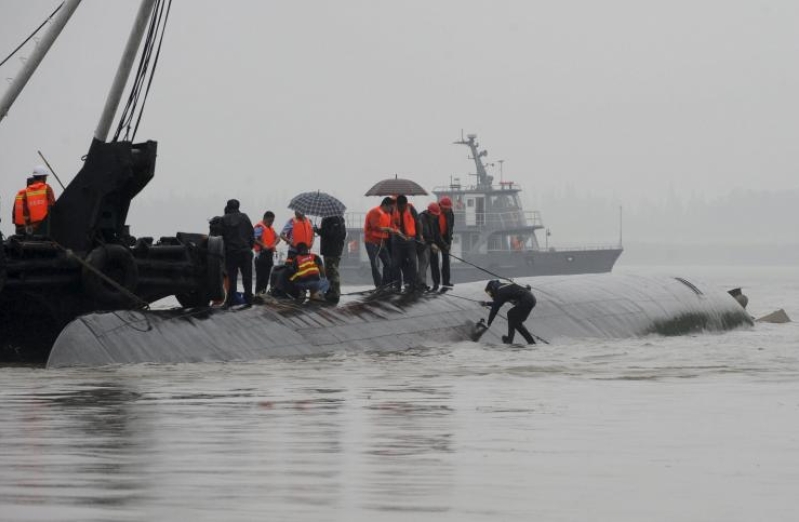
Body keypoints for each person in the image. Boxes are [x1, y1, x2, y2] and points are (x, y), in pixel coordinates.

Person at [218, 199, 254, 307]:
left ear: (228, 207)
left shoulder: (223, 219)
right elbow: (251, 235)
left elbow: (220, 237)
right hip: (245, 252)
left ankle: (230, 301)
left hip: (232, 253)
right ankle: (248, 300)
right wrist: (248, 247)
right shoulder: (245, 217)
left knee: (232, 278)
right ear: (238, 207)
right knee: (247, 277)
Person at [481, 280, 537, 345]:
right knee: (517, 323)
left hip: (526, 300)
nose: (491, 295)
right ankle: (531, 342)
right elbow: (498, 303)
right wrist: (486, 303)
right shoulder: (504, 287)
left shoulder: (501, 291)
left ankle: (509, 340)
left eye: (490, 293)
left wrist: (488, 323)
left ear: (493, 288)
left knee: (511, 314)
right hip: (531, 300)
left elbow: (495, 308)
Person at [363, 197, 395, 288]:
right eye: (390, 207)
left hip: (381, 242)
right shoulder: (375, 212)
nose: (391, 209)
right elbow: (375, 226)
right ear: (385, 205)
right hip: (371, 242)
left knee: (388, 263)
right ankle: (379, 285)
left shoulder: (388, 214)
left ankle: (385, 283)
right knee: (375, 264)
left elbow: (388, 227)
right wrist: (388, 229)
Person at [314, 214, 347, 303]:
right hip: (337, 250)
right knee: (333, 270)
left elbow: (328, 233)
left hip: (329, 250)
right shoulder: (341, 219)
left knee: (331, 272)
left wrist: (317, 230)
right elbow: (343, 234)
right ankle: (333, 292)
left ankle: (334, 293)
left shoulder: (329, 218)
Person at [391, 194, 419, 292]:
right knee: (396, 264)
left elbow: (417, 222)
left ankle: (412, 284)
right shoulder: (393, 210)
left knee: (412, 261)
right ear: (397, 204)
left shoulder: (411, 209)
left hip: (410, 241)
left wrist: (419, 237)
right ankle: (397, 285)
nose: (401, 208)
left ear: (405, 204)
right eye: (399, 206)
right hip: (397, 242)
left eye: (402, 206)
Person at [416, 202, 442, 291]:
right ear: (430, 212)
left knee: (426, 263)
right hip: (423, 245)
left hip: (428, 244)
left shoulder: (431, 218)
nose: (435, 217)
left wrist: (435, 244)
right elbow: (425, 233)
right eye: (434, 215)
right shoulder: (422, 218)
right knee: (423, 263)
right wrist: (432, 244)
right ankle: (421, 284)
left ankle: (423, 283)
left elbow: (433, 233)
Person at [253, 211, 280, 294]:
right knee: (260, 277)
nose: (271, 223)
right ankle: (258, 294)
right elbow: (254, 238)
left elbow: (278, 238)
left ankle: (263, 294)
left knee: (266, 277)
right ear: (265, 218)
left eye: (272, 221)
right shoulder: (259, 227)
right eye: (270, 221)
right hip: (261, 254)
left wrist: (273, 245)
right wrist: (263, 245)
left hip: (269, 255)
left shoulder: (271, 229)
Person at [435, 196, 455, 287]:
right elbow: (435, 231)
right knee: (434, 261)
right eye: (446, 208)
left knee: (446, 260)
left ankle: (446, 282)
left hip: (445, 238)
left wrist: (449, 243)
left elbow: (450, 228)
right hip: (435, 238)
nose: (447, 210)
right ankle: (436, 283)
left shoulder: (450, 213)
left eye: (449, 208)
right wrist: (443, 244)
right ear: (441, 206)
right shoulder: (435, 212)